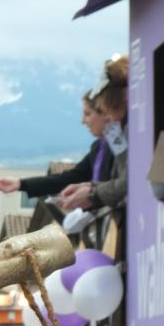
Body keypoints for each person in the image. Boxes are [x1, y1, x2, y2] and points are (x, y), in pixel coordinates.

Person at [0, 89, 112, 202]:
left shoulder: (120, 150)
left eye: (87, 114)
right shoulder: (98, 147)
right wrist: (20, 184)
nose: (83, 121)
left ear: (105, 114)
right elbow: (71, 178)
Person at [55, 55, 130, 219]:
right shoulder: (121, 130)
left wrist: (92, 194)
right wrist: (91, 187)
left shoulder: (130, 130)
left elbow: (130, 181)